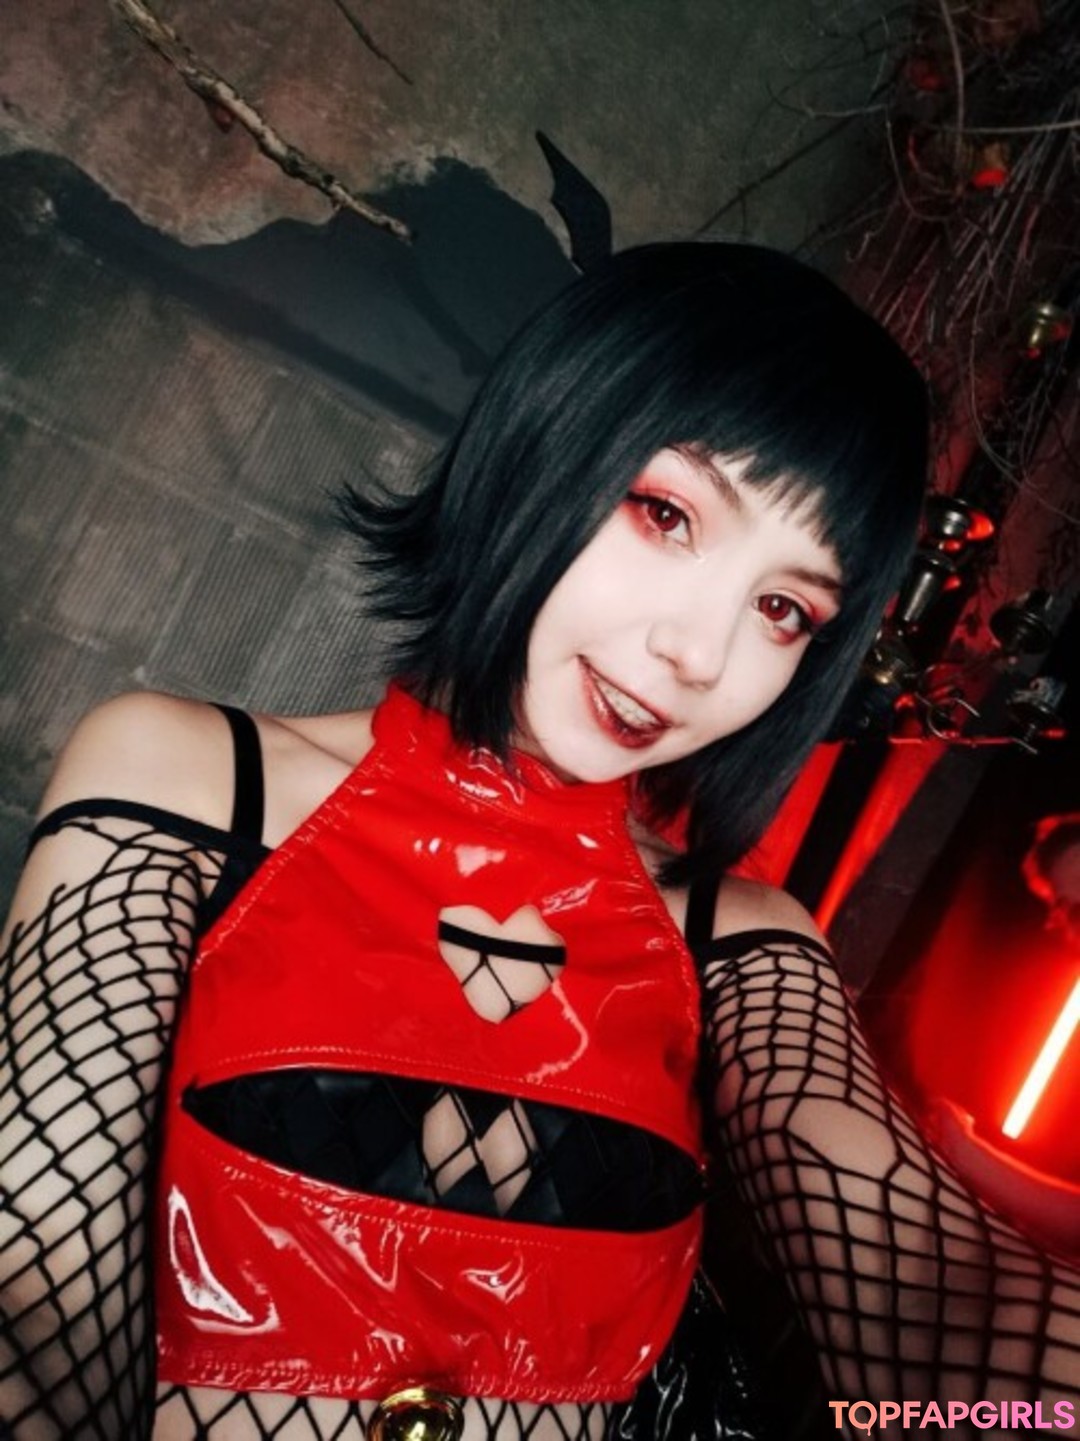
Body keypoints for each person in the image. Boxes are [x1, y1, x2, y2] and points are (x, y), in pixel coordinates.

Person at [1, 242, 1077, 1441]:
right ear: (545, 442)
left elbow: (924, 1283)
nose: (700, 654)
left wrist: (1028, 1419)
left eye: (783, 608)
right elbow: (36, 1274)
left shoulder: (734, 939)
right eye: (666, 514)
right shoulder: (192, 781)